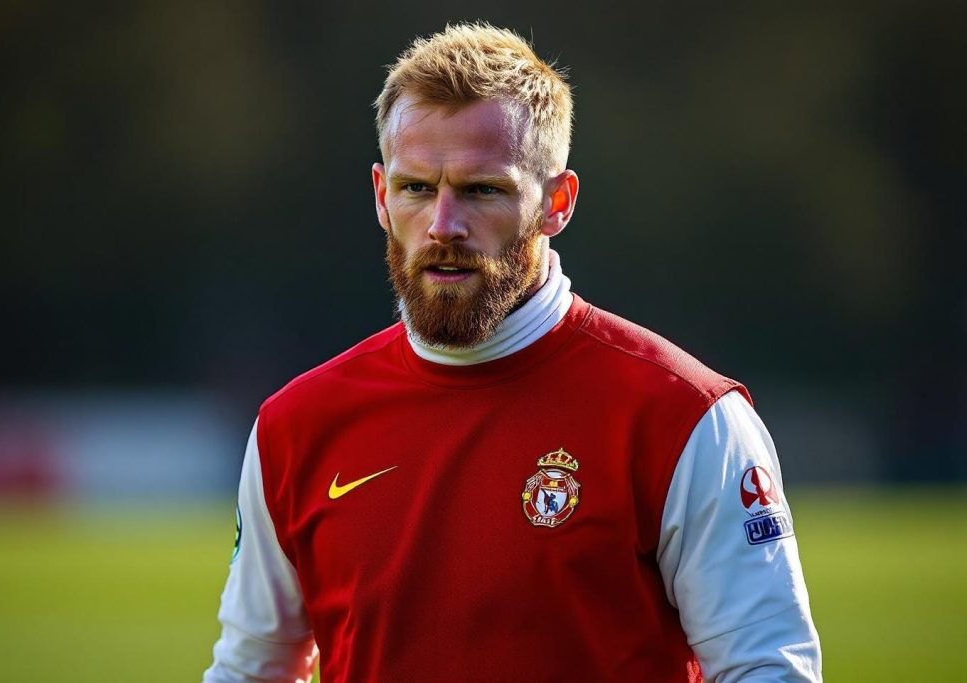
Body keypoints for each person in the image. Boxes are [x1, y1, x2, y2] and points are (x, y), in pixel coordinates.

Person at [204, 22, 822, 682]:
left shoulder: (685, 417)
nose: (443, 225)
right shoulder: (294, 426)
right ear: (381, 196)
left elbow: (768, 668)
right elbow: (250, 668)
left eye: (482, 190)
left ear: (557, 203)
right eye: (417, 188)